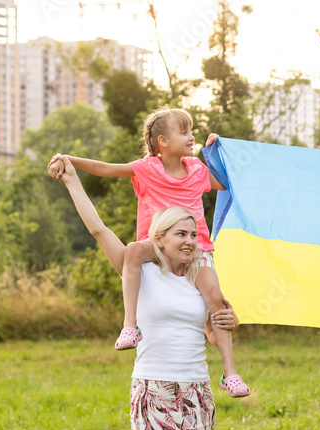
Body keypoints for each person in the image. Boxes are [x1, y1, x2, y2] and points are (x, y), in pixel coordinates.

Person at [54, 155, 225, 430]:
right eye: (180, 235)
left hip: (192, 390)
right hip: (150, 389)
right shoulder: (139, 271)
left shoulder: (202, 278)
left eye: (193, 234)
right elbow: (98, 230)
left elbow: (220, 326)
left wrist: (227, 319)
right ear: (160, 239)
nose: (190, 241)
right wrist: (73, 180)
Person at [48, 107, 250, 397]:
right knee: (132, 251)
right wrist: (70, 162)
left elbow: (227, 185)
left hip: (199, 247)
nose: (191, 137)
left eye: (192, 131)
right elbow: (106, 168)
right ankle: (130, 325)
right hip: (154, 245)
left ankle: (230, 372)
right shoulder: (147, 169)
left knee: (216, 298)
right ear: (163, 142)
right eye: (184, 132)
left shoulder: (197, 169)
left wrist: (215, 153)